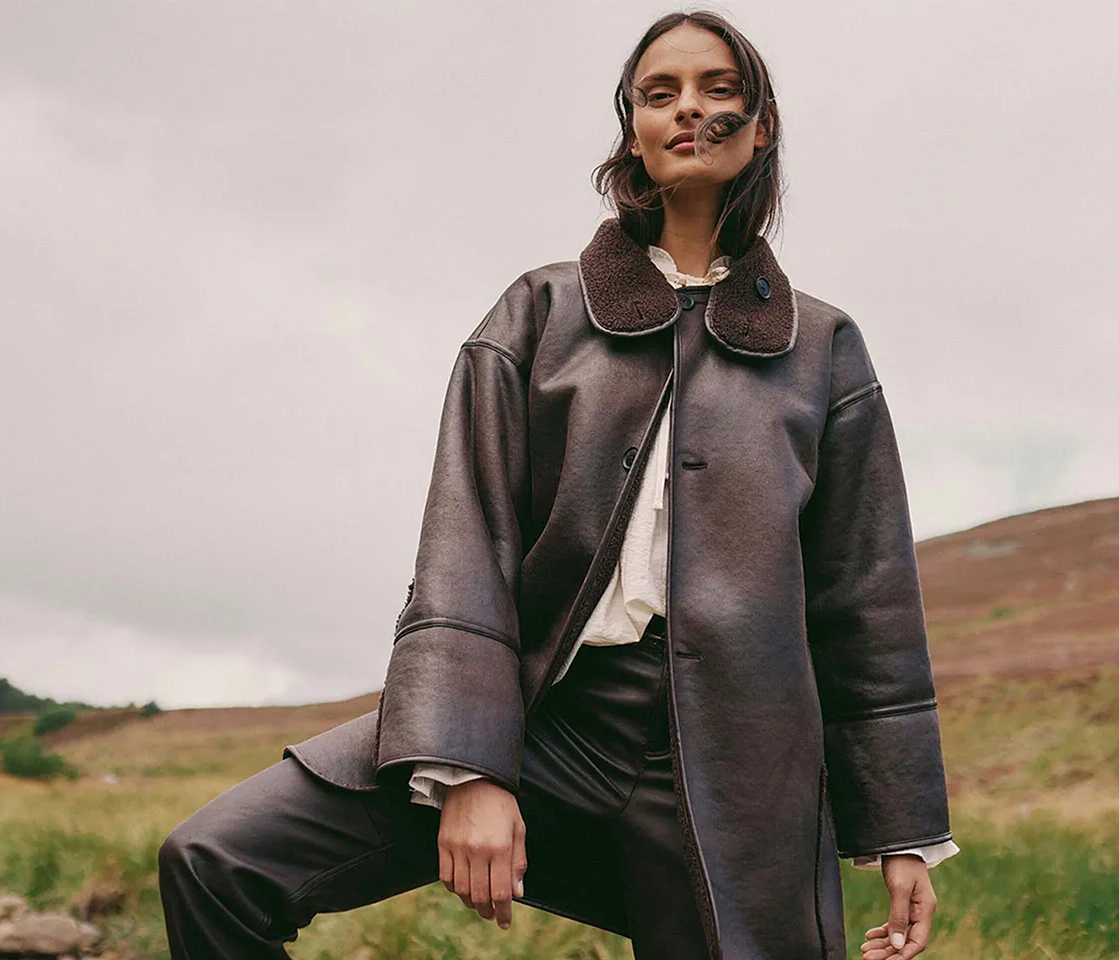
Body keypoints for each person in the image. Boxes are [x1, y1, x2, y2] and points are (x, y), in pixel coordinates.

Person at [159, 11, 955, 959]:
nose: (688, 109)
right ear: (634, 130)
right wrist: (469, 767)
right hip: (546, 717)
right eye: (659, 94)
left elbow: (866, 602)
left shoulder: (823, 348)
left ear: (761, 126)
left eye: (718, 90)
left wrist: (903, 829)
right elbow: (468, 546)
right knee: (216, 861)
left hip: (742, 769)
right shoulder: (540, 311)